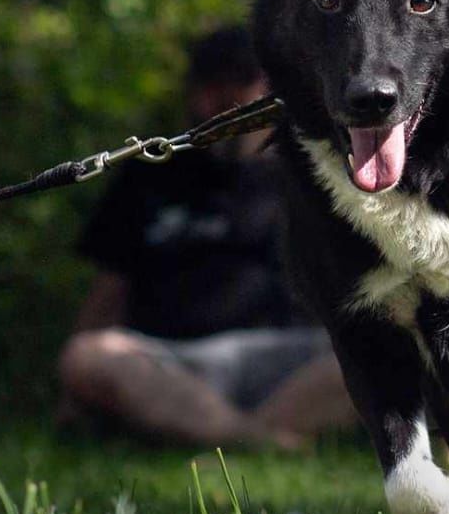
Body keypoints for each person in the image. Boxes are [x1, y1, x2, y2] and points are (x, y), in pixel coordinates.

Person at [57, 27, 357, 450]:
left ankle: (228, 436)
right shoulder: (147, 176)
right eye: (214, 83)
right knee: (87, 356)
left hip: (293, 362)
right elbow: (108, 289)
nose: (228, 98)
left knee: (392, 350)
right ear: (193, 92)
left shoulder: (320, 175)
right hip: (170, 364)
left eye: (243, 80)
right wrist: (72, 397)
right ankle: (259, 440)